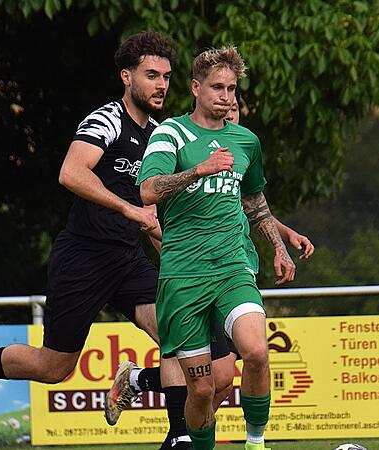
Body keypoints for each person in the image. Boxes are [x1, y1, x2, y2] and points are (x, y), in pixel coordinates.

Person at [0, 31, 193, 449]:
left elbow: (152, 216)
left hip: (128, 259)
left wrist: (174, 255)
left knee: (179, 334)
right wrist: (127, 209)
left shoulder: (160, 136)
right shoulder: (106, 120)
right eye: (151, 75)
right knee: (53, 368)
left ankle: (178, 437)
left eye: (166, 76)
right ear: (127, 77)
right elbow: (71, 173)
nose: (161, 84)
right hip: (83, 258)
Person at [106, 97, 314, 438]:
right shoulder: (177, 142)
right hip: (189, 276)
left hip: (232, 269)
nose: (228, 114)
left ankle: (187, 425)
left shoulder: (239, 145)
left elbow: (247, 201)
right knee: (208, 382)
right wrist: (177, 250)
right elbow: (152, 214)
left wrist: (284, 238)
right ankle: (181, 433)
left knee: (226, 374)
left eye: (233, 110)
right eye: (224, 105)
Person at [137, 46, 290, 450]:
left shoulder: (246, 141)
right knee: (202, 390)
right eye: (217, 87)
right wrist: (198, 170)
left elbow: (254, 201)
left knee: (256, 352)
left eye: (232, 88)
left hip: (233, 267)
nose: (226, 96)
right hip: (183, 276)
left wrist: (278, 245)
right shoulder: (171, 133)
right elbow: (148, 190)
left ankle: (256, 443)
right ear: (195, 88)